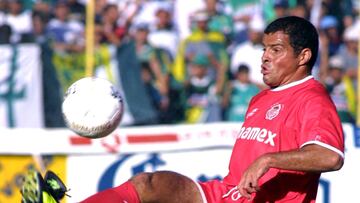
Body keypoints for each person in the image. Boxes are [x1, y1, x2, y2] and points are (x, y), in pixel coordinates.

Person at [21, 16, 344, 203]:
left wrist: (269, 160)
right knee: (150, 184)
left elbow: (330, 156)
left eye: (276, 50)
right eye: (264, 49)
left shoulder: (312, 98)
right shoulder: (261, 99)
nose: (264, 57)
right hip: (226, 195)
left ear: (303, 57)